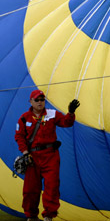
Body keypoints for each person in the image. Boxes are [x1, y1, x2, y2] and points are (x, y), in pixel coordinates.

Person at [15, 89, 80, 221]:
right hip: (32, 158)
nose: (40, 102)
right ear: (31, 101)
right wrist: (25, 152)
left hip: (50, 156)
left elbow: (66, 123)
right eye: (37, 100)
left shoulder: (52, 114)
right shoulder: (24, 118)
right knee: (30, 189)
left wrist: (71, 112)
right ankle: (31, 217)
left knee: (52, 187)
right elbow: (19, 137)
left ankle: (49, 216)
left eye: (42, 99)